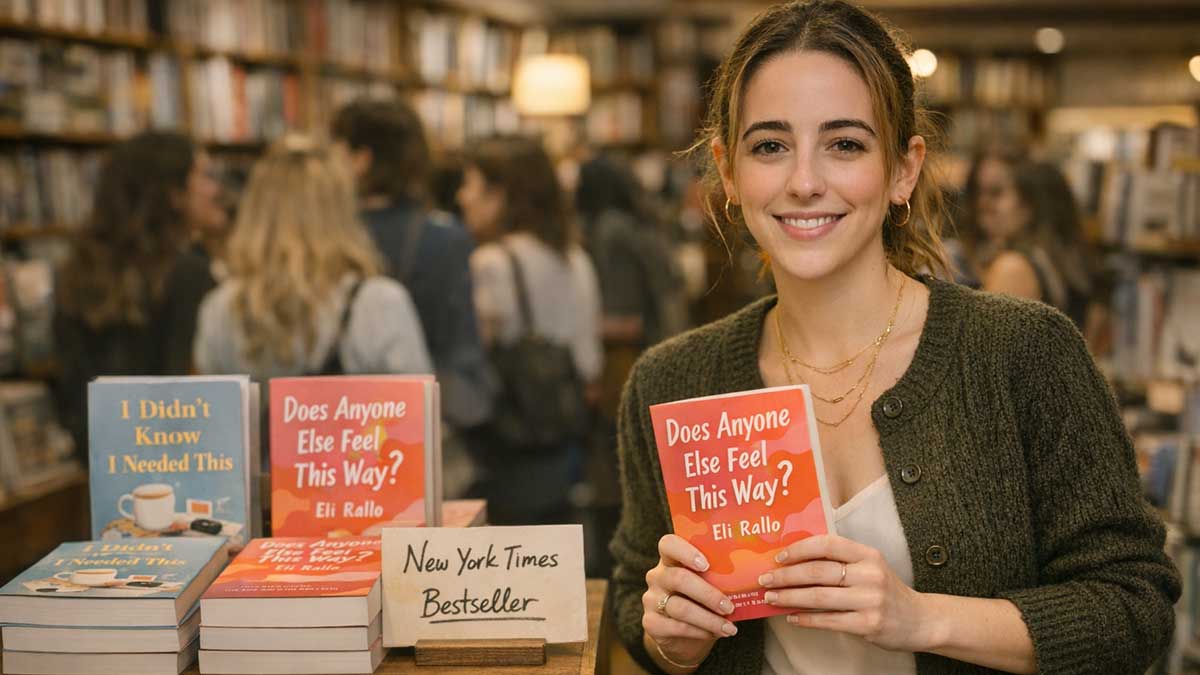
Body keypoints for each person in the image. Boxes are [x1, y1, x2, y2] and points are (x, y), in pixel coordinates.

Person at [608, 2, 1179, 674]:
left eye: (845, 144)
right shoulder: (671, 381)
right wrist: (672, 641)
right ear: (728, 171)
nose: (804, 182)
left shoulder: (1024, 352)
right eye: (770, 146)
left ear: (904, 169)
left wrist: (921, 617)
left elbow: (1134, 608)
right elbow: (635, 598)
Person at [193, 135, 431, 382]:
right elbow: (418, 403)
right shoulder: (378, 304)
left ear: (256, 212)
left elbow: (213, 403)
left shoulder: (220, 308)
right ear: (343, 211)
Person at [457, 136, 603, 525]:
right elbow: (590, 361)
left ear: (500, 195)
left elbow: (475, 357)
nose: (461, 197)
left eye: (470, 184)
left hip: (509, 445)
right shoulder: (576, 258)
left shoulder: (492, 263)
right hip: (564, 443)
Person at [54, 132, 224, 459]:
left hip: (103, 464)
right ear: (173, 193)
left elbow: (74, 399)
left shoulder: (75, 274)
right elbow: (199, 403)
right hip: (177, 464)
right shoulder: (190, 275)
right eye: (204, 176)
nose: (214, 189)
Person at [330, 100, 493, 432]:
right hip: (417, 427)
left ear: (361, 159)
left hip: (332, 425)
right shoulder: (447, 238)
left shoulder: (325, 239)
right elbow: (463, 348)